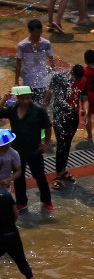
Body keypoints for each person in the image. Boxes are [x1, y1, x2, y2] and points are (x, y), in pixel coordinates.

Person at [1, 85, 53, 213]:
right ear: (18, 98)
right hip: (17, 151)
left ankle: (47, 201)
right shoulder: (12, 108)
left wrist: (46, 143)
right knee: (19, 178)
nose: (26, 101)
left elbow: (48, 126)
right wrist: (3, 100)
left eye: (28, 98)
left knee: (40, 177)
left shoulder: (38, 110)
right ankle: (21, 202)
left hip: (34, 150)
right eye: (23, 98)